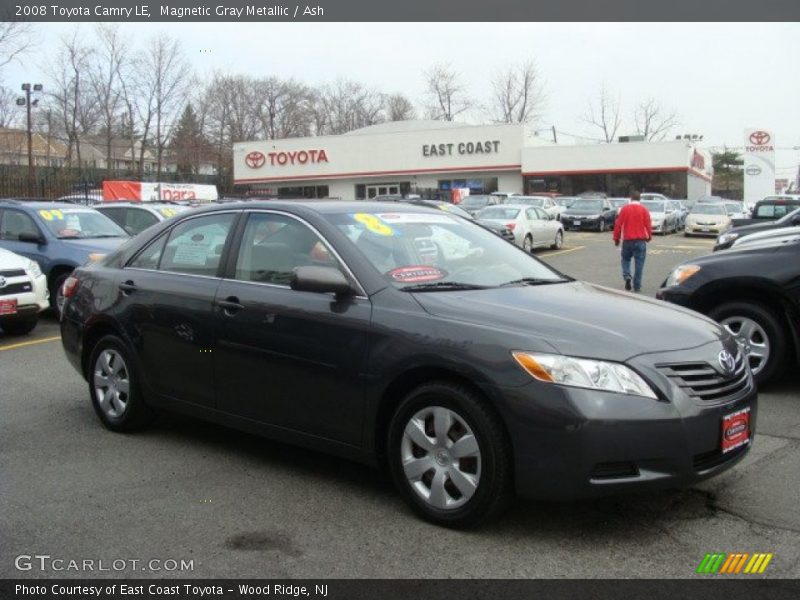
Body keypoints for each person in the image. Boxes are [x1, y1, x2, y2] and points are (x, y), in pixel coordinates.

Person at [612, 190, 652, 292]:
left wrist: (616, 238)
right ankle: (637, 285)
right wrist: (649, 236)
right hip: (640, 240)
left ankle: (627, 276)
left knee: (625, 259)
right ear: (640, 199)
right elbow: (648, 224)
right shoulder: (644, 210)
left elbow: (618, 225)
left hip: (628, 240)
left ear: (630, 198)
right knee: (639, 264)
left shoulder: (625, 209)